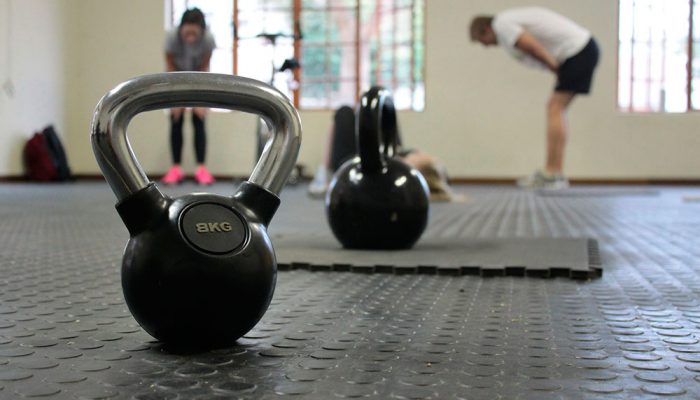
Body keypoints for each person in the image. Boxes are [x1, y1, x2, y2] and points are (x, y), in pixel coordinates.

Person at [470, 7, 600, 189]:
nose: (485, 46)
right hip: (581, 50)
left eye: (481, 40)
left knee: (555, 108)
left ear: (486, 29)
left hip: (578, 51)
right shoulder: (506, 25)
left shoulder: (501, 24)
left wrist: (553, 65)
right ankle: (553, 172)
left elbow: (530, 45)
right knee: (556, 109)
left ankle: (553, 173)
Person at [308, 106, 463, 202]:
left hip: (353, 166)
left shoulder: (401, 172)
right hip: (377, 156)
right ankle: (325, 174)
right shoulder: (408, 160)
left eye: (422, 156)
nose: (421, 153)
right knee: (383, 111)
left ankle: (325, 174)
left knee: (344, 113)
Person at [161, 8, 216, 185]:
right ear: (181, 29)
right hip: (175, 76)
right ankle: (176, 169)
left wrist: (201, 100)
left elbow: (204, 67)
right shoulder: (171, 37)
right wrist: (175, 98)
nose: (190, 38)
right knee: (176, 119)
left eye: (194, 34)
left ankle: (201, 169)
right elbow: (170, 66)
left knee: (199, 118)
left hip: (198, 76)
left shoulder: (208, 39)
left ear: (201, 31)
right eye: (187, 33)